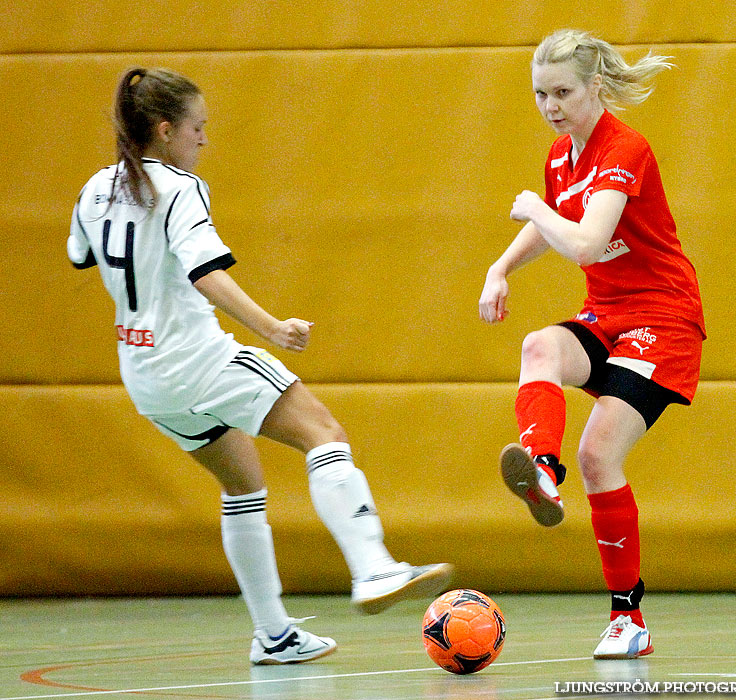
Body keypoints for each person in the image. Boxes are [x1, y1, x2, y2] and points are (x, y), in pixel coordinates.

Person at [68, 67, 453, 665]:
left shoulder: (96, 187)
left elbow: (80, 254)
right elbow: (205, 271)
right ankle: (374, 567)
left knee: (243, 485)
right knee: (323, 434)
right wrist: (272, 328)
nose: (204, 140)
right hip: (196, 359)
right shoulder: (178, 187)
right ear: (165, 131)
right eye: (197, 128)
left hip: (144, 374)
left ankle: (273, 634)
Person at [479, 30, 705, 659]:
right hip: (606, 314)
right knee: (538, 348)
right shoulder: (561, 156)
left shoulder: (624, 149)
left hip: (663, 319)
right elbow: (555, 228)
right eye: (539, 94)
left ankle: (628, 619)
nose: (550, 105)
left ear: (595, 88)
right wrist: (501, 268)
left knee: (599, 454)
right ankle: (541, 472)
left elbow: (581, 240)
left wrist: (532, 208)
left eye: (562, 92)